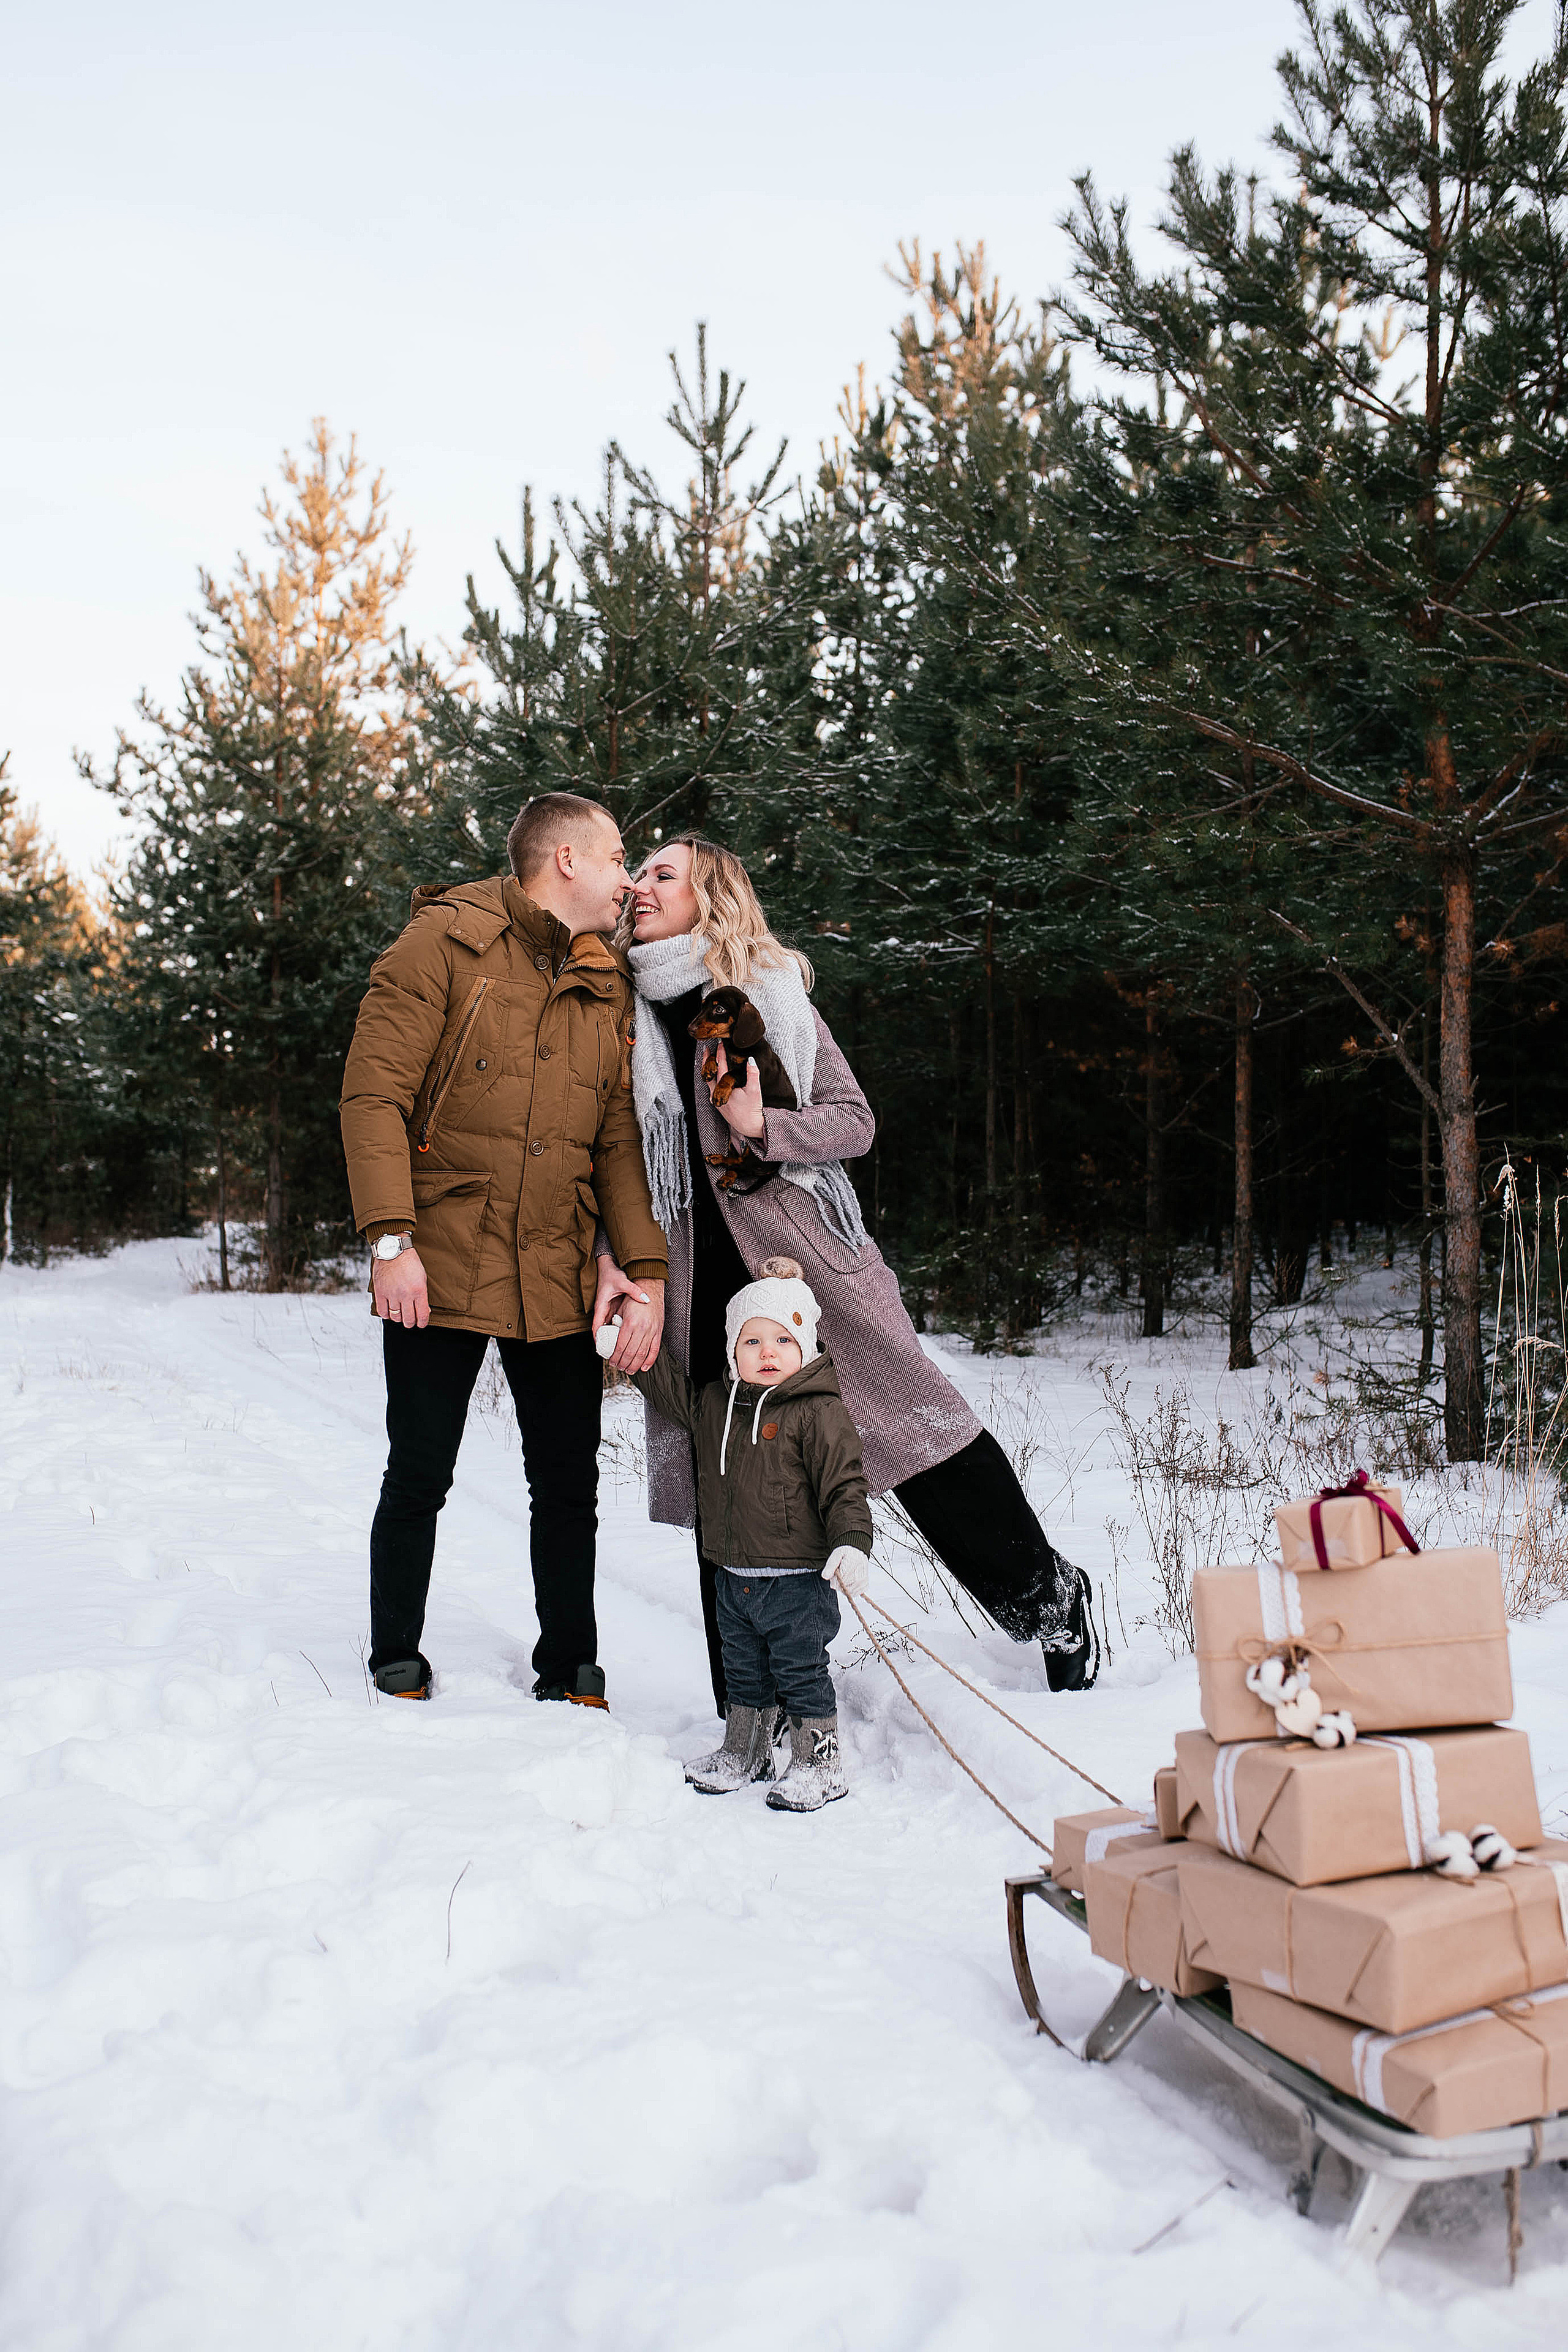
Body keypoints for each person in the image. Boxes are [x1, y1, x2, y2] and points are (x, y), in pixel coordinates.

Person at [594, 834, 1099, 1716]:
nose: (639, 888)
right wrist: (613, 1256)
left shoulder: (769, 991)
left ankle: (1048, 1601)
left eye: (661, 876)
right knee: (734, 1481)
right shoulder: (617, 1014)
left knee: (917, 1439)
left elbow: (853, 1120)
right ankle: (750, 1703)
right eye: (636, 876)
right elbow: (609, 1156)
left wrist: (763, 1127)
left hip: (810, 1269)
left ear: (709, 897)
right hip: (695, 1288)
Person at [339, 791, 668, 1705]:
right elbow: (373, 1098)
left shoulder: (605, 977)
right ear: (565, 859)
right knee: (420, 1471)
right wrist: (390, 1240)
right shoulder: (442, 944)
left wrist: (642, 1269)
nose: (627, 878)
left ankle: (570, 1663)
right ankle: (393, 1655)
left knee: (567, 1484)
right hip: (438, 1257)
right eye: (615, 858)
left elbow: (614, 1139)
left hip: (556, 1265)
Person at [631, 1256, 872, 1811]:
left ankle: (820, 1763)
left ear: (806, 1347)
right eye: (752, 1341)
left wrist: (853, 1544)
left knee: (800, 1672)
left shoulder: (819, 1412)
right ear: (733, 1352)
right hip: (732, 1577)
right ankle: (746, 1750)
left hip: (796, 1581)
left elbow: (844, 1487)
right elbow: (672, 1394)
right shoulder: (718, 1404)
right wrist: (632, 1354)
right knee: (742, 1671)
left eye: (783, 1341)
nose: (768, 1353)